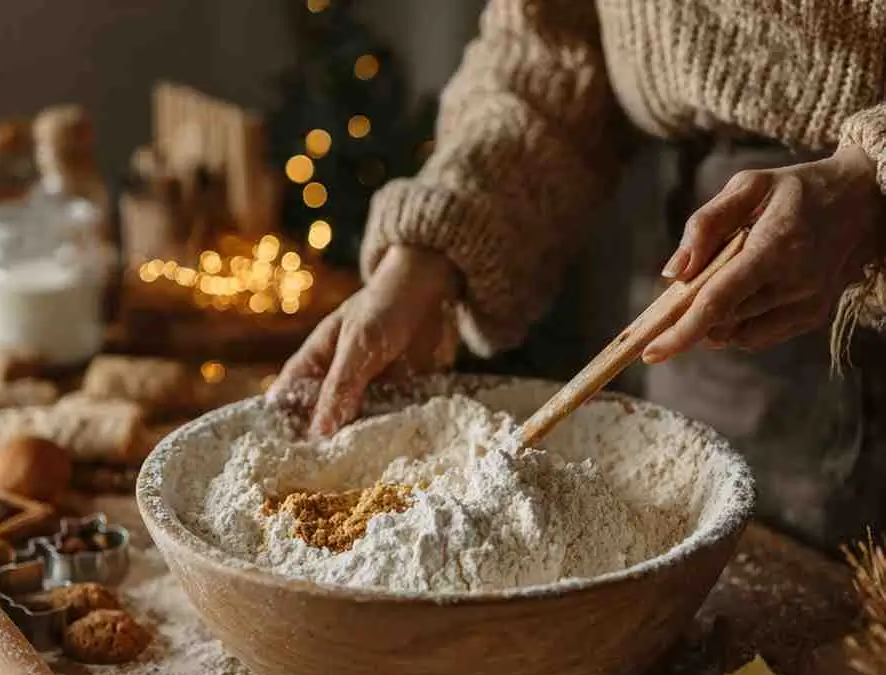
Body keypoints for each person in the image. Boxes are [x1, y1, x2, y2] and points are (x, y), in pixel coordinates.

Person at [270, 0, 886, 550]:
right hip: (711, 270)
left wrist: (867, 188)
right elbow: (549, 52)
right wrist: (428, 251)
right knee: (733, 586)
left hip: (851, 237)